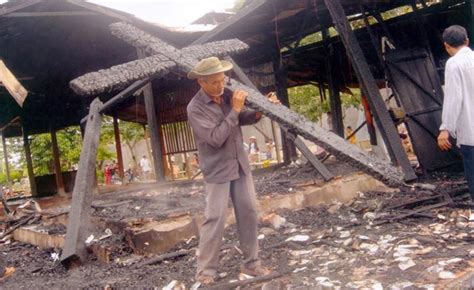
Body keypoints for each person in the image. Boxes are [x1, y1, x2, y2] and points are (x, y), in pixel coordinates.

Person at [187, 56, 279, 284]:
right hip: (217, 170)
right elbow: (215, 138)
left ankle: (252, 264)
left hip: (239, 164)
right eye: (215, 82)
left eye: (222, 79)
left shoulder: (227, 94)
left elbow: (242, 118)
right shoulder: (195, 108)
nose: (221, 85)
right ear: (201, 82)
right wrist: (235, 110)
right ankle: (206, 271)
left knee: (248, 212)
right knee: (215, 217)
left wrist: (261, 111)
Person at [437, 25, 474, 206]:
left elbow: (453, 97)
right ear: (467, 40)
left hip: (470, 133)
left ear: (446, 46)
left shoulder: (454, 64)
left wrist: (446, 128)